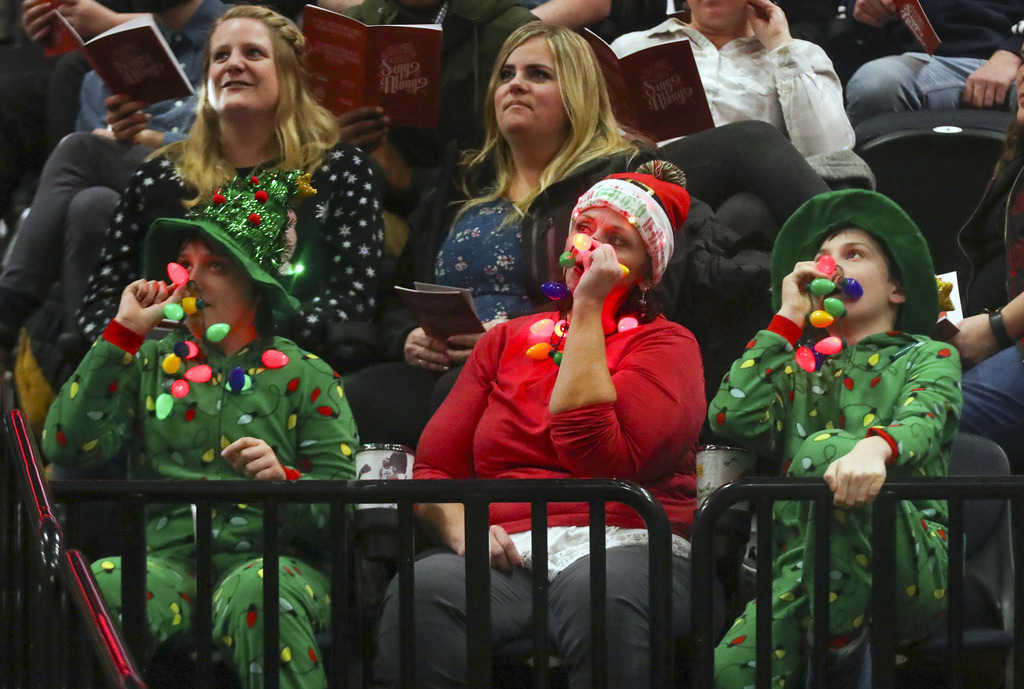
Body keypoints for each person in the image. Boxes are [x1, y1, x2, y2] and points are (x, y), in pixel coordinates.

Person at [375, 162, 708, 689]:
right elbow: (434, 470)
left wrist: (589, 307)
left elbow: (598, 456)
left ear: (647, 273)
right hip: (511, 551)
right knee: (424, 588)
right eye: (585, 228)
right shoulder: (504, 340)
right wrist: (460, 528)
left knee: (602, 592)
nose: (590, 246)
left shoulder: (668, 345)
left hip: (627, 546)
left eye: (617, 240)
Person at [41, 166, 358, 689]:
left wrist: (284, 481)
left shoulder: (310, 375)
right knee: (103, 584)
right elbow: (65, 444)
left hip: (276, 565)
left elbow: (341, 514)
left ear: (256, 286)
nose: (189, 279)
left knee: (258, 590)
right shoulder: (146, 361)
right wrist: (124, 332)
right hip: (168, 565)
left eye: (214, 265)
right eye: (184, 264)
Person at [343, 21, 652, 447]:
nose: (515, 84)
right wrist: (407, 337)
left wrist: (507, 338)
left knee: (455, 393)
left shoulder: (611, 182)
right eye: (507, 74)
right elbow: (400, 290)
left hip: (547, 363)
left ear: (577, 95)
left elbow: (625, 296)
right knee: (355, 397)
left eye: (537, 74)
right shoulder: (463, 179)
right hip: (446, 365)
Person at [707, 189, 962, 687]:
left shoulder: (929, 354)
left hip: (908, 571)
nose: (831, 266)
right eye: (824, 256)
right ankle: (829, 636)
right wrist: (788, 317)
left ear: (897, 290)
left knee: (828, 447)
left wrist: (873, 449)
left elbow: (928, 415)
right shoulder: (801, 366)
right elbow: (730, 415)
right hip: (800, 575)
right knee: (729, 672)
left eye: (854, 254)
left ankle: (838, 651)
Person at [75, 5, 384, 370]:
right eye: (220, 56)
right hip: (162, 375)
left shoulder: (341, 169)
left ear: (289, 74)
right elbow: (100, 304)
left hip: (293, 375)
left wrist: (234, 342)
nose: (233, 64)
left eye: (253, 53)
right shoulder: (158, 175)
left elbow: (353, 302)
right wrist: (146, 358)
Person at [0, 0, 225, 354]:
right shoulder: (105, 68)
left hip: (214, 185)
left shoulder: (233, 42)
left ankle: (10, 305)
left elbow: (235, 144)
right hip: (132, 205)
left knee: (79, 149)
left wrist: (151, 139)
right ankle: (92, 349)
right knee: (91, 203)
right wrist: (119, 137)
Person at [334, 0, 536, 215]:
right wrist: (333, 141)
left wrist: (410, 179)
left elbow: (529, 169)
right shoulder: (355, 25)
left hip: (482, 210)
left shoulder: (511, 32)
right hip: (374, 207)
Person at [610, 0, 856, 158]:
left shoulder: (801, 55)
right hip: (653, 189)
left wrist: (781, 48)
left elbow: (831, 154)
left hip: (754, 196)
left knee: (748, 208)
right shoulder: (631, 47)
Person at [951, 52, 1024, 471]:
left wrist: (997, 329)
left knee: (930, 418)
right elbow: (966, 261)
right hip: (989, 338)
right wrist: (938, 321)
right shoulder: (1014, 164)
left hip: (1011, 340)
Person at [843, 0, 1024, 127]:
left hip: (1016, 59)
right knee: (875, 84)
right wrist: (867, 6)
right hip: (921, 61)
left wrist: (1012, 52)